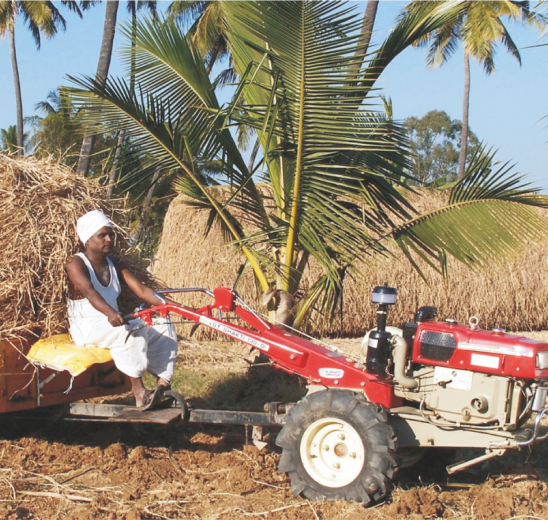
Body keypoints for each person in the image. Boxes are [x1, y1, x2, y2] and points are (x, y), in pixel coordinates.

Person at [66, 210, 177, 408]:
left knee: (163, 324)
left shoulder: (115, 263)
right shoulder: (75, 263)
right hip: (88, 327)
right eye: (102, 235)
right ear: (88, 240)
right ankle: (139, 392)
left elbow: (142, 290)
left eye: (111, 234)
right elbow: (89, 291)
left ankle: (162, 385)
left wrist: (176, 307)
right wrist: (110, 313)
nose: (109, 239)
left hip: (112, 322)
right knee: (132, 331)